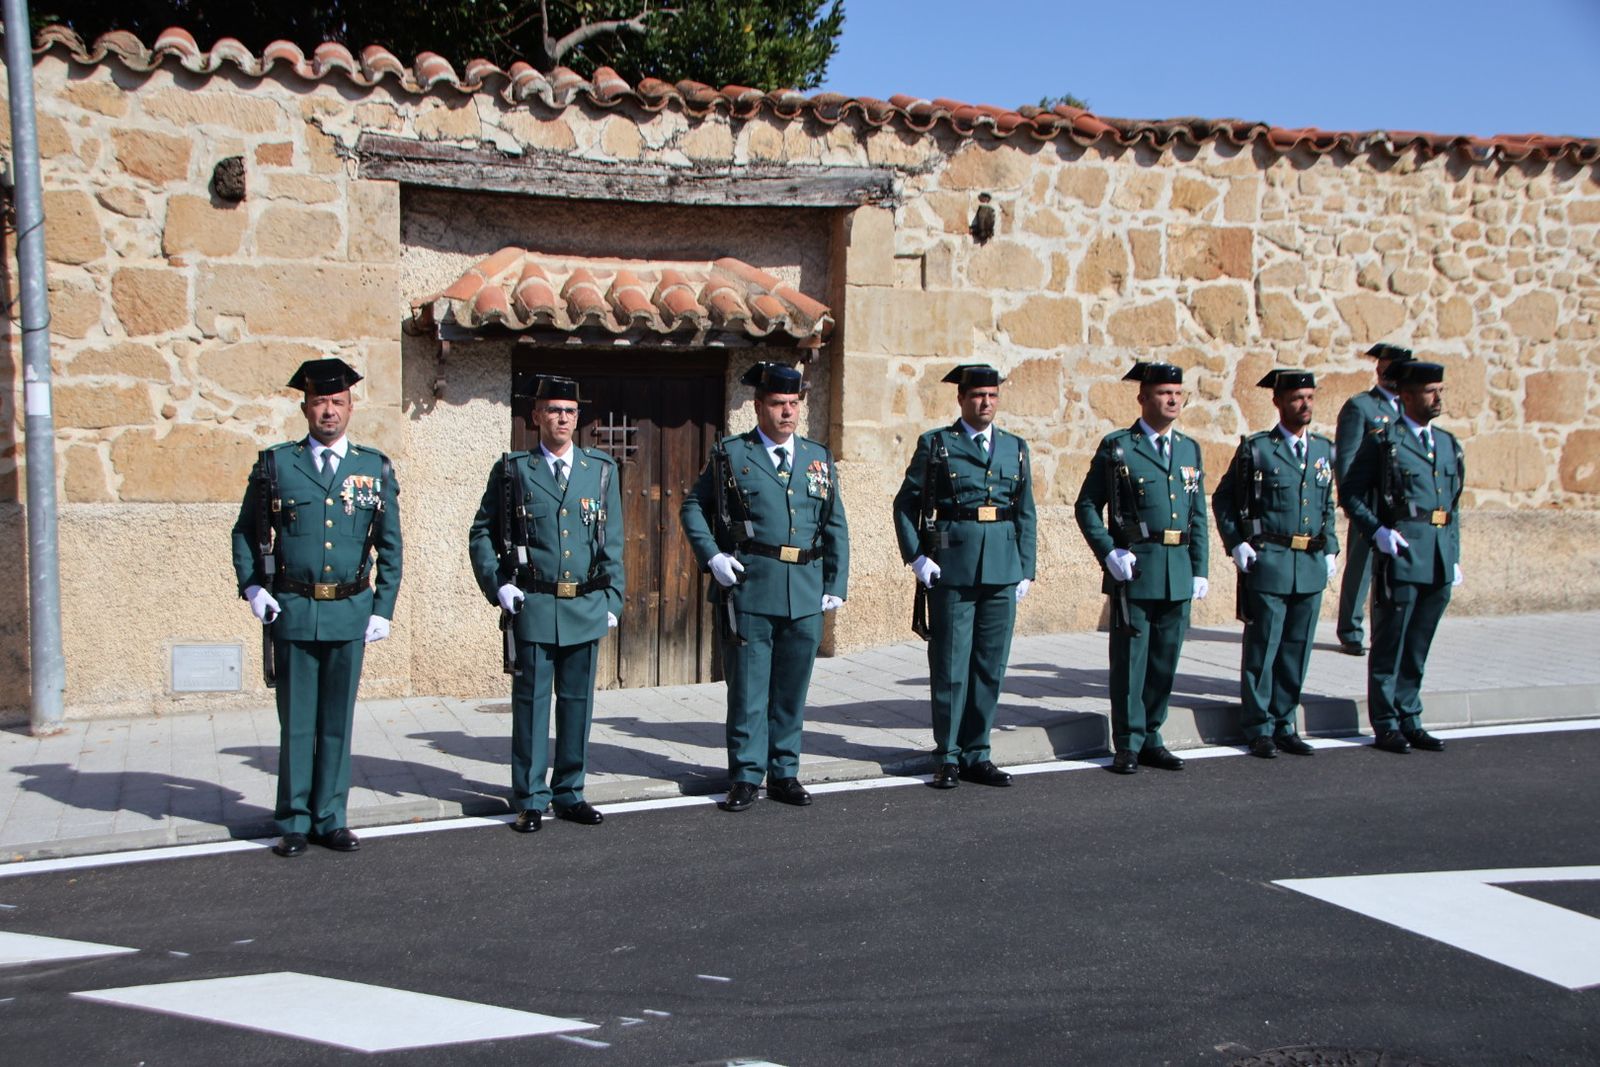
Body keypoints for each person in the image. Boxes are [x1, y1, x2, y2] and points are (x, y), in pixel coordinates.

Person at [231, 358, 402, 858]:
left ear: (351, 407)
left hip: (350, 611)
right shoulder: (277, 465)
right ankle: (293, 820)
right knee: (297, 722)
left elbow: (391, 545)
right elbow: (246, 531)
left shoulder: (374, 467)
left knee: (336, 722)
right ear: (305, 407)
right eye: (320, 402)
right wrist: (252, 588)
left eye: (338, 402)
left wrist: (383, 608)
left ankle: (332, 817)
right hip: (294, 610)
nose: (329, 411)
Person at [679, 362, 849, 811]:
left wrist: (836, 581)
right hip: (752, 588)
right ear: (758, 407)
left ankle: (785, 772)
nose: (787, 412)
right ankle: (746, 774)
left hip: (805, 590)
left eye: (794, 404)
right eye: (777, 404)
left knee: (792, 689)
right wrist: (712, 555)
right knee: (750, 688)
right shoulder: (732, 455)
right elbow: (693, 506)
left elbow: (835, 524)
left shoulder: (818, 457)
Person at [468, 375, 624, 832]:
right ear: (535, 416)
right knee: (532, 706)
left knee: (577, 705)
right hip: (533, 605)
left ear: (579, 418)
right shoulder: (514, 470)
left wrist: (614, 598)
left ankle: (570, 791)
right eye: (553, 410)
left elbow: (612, 539)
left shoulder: (600, 470)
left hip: (585, 604)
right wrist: (498, 585)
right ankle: (531, 797)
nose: (562, 418)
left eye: (570, 411)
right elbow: (481, 532)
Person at [891, 364, 1037, 789]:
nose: (985, 402)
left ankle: (978, 752)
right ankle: (948, 754)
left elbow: (1025, 511)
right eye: (977, 396)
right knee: (951, 665)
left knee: (990, 665)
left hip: (1002, 569)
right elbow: (905, 504)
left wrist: (1026, 567)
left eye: (992, 395)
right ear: (961, 399)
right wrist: (917, 556)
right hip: (952, 569)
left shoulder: (1016, 448)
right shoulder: (938, 444)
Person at [1074, 362, 1209, 775]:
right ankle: (1128, 742)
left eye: (1178, 393)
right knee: (1132, 659)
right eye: (1164, 393)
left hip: (1177, 569)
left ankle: (1153, 735)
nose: (1173, 400)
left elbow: (1197, 514)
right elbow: (1086, 506)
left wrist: (1200, 568)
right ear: (1143, 398)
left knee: (1165, 661)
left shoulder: (1189, 449)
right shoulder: (1120, 447)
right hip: (1136, 569)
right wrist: (1109, 551)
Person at [1213, 370, 1340, 759]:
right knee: (1263, 649)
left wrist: (1332, 546)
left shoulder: (1322, 450)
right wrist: (1237, 544)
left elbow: (1327, 506)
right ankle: (1258, 726)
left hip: (1310, 561)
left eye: (1310, 398)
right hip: (1271, 561)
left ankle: (1285, 722)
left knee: (1296, 649)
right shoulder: (1258, 450)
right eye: (1298, 398)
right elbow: (1224, 500)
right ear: (1279, 402)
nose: (1305, 405)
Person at [1339, 360, 1463, 754]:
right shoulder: (1384, 441)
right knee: (1391, 641)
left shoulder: (1447, 443)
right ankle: (1387, 722)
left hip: (1439, 554)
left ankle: (1411, 716)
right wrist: (1377, 531)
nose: (1438, 397)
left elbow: (1453, 505)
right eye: (1430, 391)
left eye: (1440, 389)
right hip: (1403, 552)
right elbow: (1352, 494)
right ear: (1407, 396)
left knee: (1419, 643)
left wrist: (1454, 555)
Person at [1333, 343, 1413, 656]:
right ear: (1379, 370)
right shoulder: (1362, 406)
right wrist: (1351, 500)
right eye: (1388, 368)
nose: (1392, 374)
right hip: (1370, 501)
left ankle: (1394, 625)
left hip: (1403, 505)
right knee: (1361, 566)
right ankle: (1351, 629)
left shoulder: (1409, 408)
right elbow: (1347, 458)